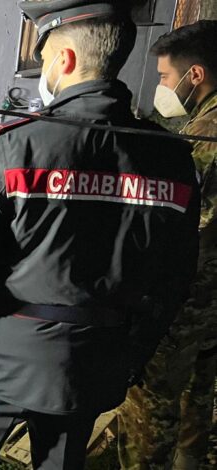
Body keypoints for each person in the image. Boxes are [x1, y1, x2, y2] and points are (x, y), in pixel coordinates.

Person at [0, 1, 201, 468]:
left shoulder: (15, 146)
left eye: (43, 59)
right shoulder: (172, 159)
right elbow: (174, 278)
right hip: (93, 364)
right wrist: (132, 355)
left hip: (1, 357)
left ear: (64, 59)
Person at [117, 20, 217, 470]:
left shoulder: (207, 134)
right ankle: (189, 459)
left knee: (152, 395)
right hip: (210, 296)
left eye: (164, 77)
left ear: (195, 75)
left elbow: (185, 217)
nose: (161, 87)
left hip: (193, 289)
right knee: (200, 381)